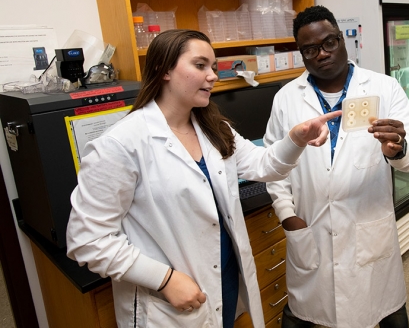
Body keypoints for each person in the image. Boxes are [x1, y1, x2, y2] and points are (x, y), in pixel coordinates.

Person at [66, 29, 340, 328]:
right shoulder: (122, 143)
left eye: (212, 67)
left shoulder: (213, 127)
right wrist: (164, 279)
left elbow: (265, 166)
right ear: (163, 69)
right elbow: (87, 240)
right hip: (169, 300)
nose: (213, 76)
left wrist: (296, 139)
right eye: (200, 65)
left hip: (222, 281)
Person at [264, 6, 409, 328]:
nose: (321, 54)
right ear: (302, 54)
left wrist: (398, 149)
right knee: (304, 314)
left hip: (369, 234)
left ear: (342, 40)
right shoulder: (286, 99)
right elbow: (274, 163)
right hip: (310, 232)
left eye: (328, 43)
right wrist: (287, 214)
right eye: (310, 50)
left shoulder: (384, 88)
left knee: (388, 313)